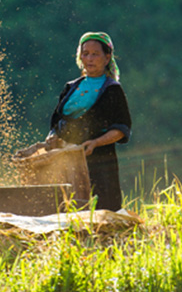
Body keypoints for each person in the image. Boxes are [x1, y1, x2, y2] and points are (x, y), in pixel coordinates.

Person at [46, 31, 132, 211]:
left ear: (107, 58)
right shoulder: (71, 87)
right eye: (85, 54)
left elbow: (122, 128)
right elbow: (56, 121)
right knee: (66, 205)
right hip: (67, 158)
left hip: (99, 159)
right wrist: (52, 136)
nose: (90, 59)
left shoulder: (112, 89)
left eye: (95, 54)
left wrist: (95, 143)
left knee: (101, 207)